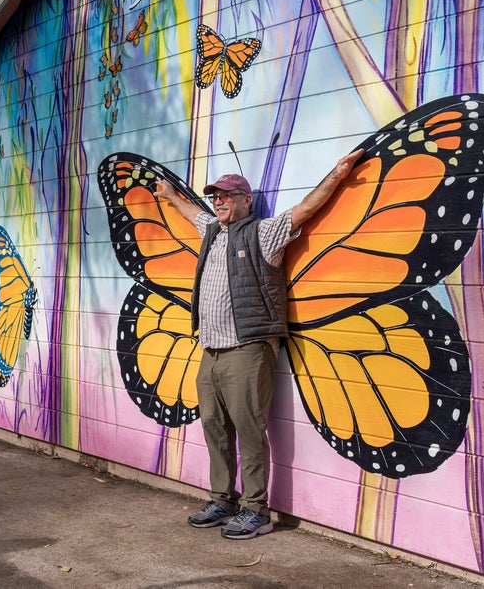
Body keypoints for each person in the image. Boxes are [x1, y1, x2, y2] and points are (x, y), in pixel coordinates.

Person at [154, 150, 362, 540]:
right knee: (214, 427)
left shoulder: (262, 232)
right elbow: (189, 211)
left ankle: (256, 510)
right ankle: (222, 499)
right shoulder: (212, 230)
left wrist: (336, 174)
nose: (219, 201)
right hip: (211, 349)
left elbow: (303, 210)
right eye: (215, 196)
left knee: (249, 429)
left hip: (248, 347)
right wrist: (168, 194)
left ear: (246, 200)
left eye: (228, 196)